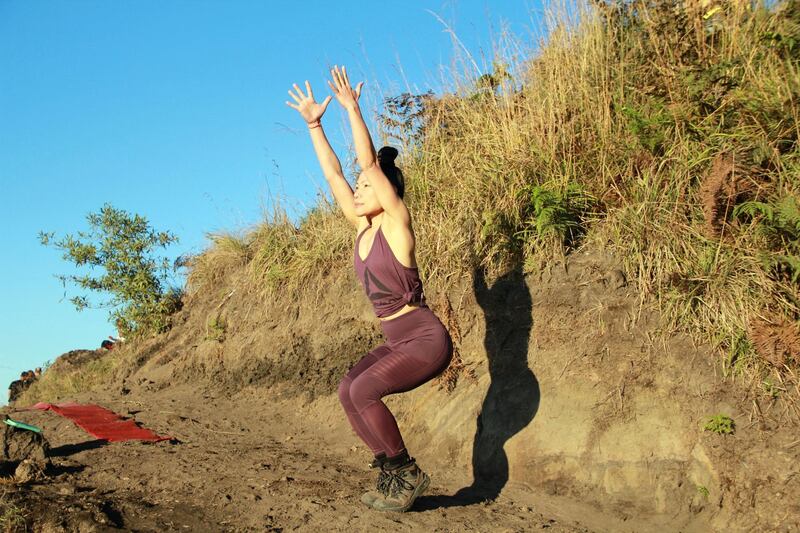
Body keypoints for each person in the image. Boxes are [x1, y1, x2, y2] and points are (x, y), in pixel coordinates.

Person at [286, 66, 453, 512]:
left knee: (364, 392)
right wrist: (314, 125)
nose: (358, 192)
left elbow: (364, 165)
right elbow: (336, 176)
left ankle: (406, 471)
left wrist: (352, 109)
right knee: (348, 389)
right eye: (358, 190)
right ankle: (389, 472)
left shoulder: (397, 225)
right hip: (397, 338)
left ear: (386, 190)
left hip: (423, 338)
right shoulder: (360, 228)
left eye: (367, 187)